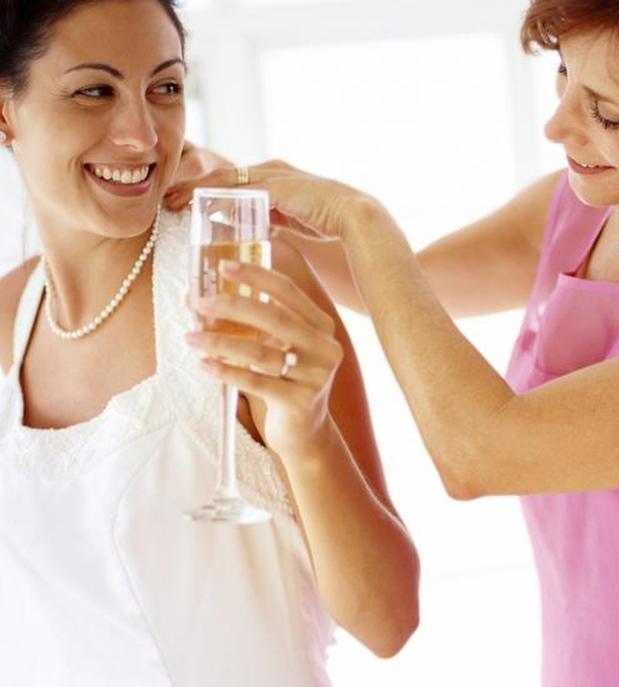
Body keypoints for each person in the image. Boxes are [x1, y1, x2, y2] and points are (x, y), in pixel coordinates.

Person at [168, 0, 619, 684]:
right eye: (565, 73)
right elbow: (400, 291)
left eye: (607, 115)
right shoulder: (579, 210)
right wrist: (235, 183)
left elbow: (476, 454)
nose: (557, 126)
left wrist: (362, 220)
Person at [0, 1, 419, 685]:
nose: (142, 135)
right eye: (95, 91)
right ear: (5, 111)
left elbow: (388, 619)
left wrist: (308, 435)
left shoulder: (242, 280)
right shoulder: (8, 316)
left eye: (165, 87)